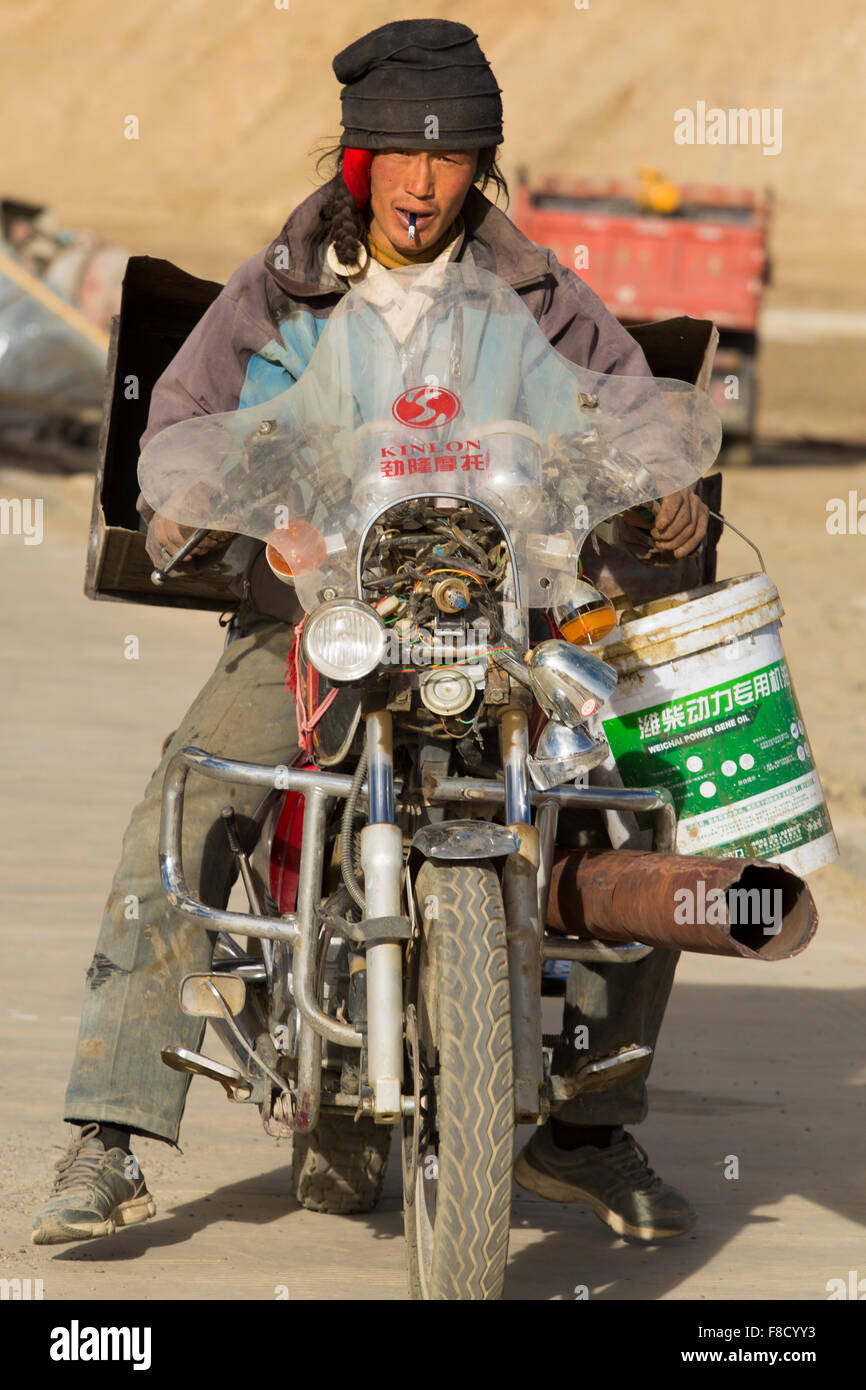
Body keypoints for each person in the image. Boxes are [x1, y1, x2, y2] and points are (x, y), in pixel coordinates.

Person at [33, 19, 708, 1249]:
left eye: (447, 159)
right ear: (357, 158)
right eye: (395, 152)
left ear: (480, 168)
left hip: (495, 618)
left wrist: (658, 473)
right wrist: (190, 491)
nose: (419, 181)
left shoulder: (535, 293)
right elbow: (180, 422)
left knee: (632, 820)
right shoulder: (280, 288)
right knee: (189, 801)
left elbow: (626, 398)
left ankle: (585, 1127)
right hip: (319, 620)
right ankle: (110, 1131)